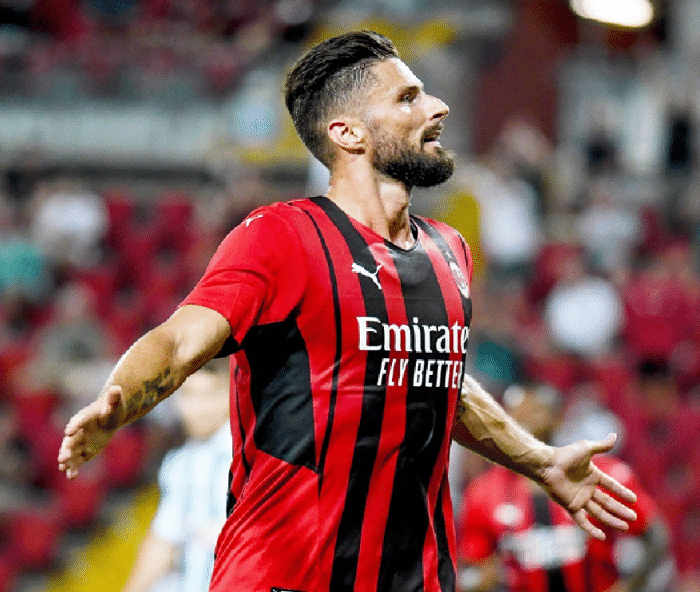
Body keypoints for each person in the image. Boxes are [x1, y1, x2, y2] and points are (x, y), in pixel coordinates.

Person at [58, 31, 637, 592]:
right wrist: (120, 399)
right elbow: (180, 341)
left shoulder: (450, 251)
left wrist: (540, 462)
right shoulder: (280, 237)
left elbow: (438, 384)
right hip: (286, 579)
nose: (437, 107)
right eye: (408, 98)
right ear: (348, 133)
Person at [456, 382, 674, 592]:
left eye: (535, 412)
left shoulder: (602, 474)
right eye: (515, 414)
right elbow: (472, 567)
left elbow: (655, 537)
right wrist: (479, 580)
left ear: (558, 418)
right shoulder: (482, 492)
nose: (523, 420)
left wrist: (628, 587)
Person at [121, 359, 231, 592]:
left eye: (211, 394)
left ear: (231, 395)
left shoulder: (256, 459)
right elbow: (163, 541)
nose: (200, 407)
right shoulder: (179, 463)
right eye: (190, 395)